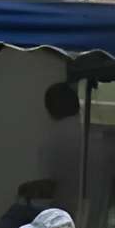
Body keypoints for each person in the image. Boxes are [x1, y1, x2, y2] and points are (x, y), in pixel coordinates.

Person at [34, 79, 87, 211]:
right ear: (77, 105)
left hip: (65, 214)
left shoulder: (51, 140)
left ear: (49, 109)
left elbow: (48, 187)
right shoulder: (94, 133)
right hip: (98, 217)